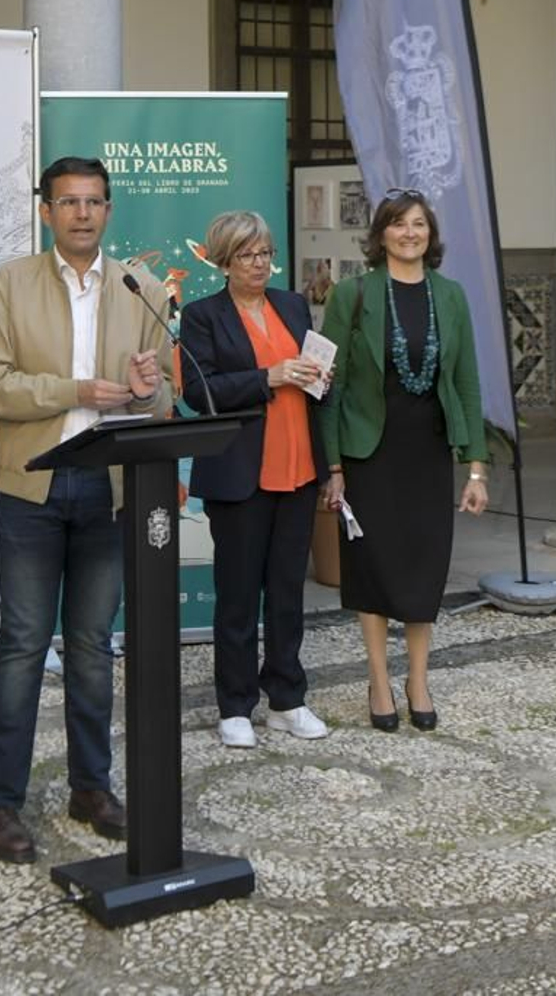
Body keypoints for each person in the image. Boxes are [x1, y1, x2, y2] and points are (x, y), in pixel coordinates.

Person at [0, 156, 173, 863]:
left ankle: (92, 787)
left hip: (109, 489)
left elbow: (164, 396)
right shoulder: (10, 284)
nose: (82, 213)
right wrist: (78, 390)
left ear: (109, 211)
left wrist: (146, 389)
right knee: (24, 644)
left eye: (94, 202)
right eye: (69, 202)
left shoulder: (140, 286)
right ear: (47, 211)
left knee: (92, 647)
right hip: (31, 486)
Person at [320, 189, 488, 732]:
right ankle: (378, 679)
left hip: (429, 452)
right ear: (381, 234)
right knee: (372, 568)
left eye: (418, 224)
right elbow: (331, 385)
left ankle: (418, 678)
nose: (409, 233)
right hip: (369, 453)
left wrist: (476, 467)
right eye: (398, 224)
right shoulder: (354, 293)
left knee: (423, 564)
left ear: (430, 234)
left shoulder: (452, 295)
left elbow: (466, 382)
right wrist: (334, 465)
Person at [179, 211, 330, 748]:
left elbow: (317, 392)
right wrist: (269, 376)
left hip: (299, 469)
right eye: (247, 255)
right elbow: (199, 393)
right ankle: (235, 705)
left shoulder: (292, 305)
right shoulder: (201, 316)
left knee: (287, 594)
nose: (259, 264)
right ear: (223, 260)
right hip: (241, 474)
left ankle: (287, 699)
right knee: (238, 597)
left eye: (265, 253)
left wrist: (319, 378)